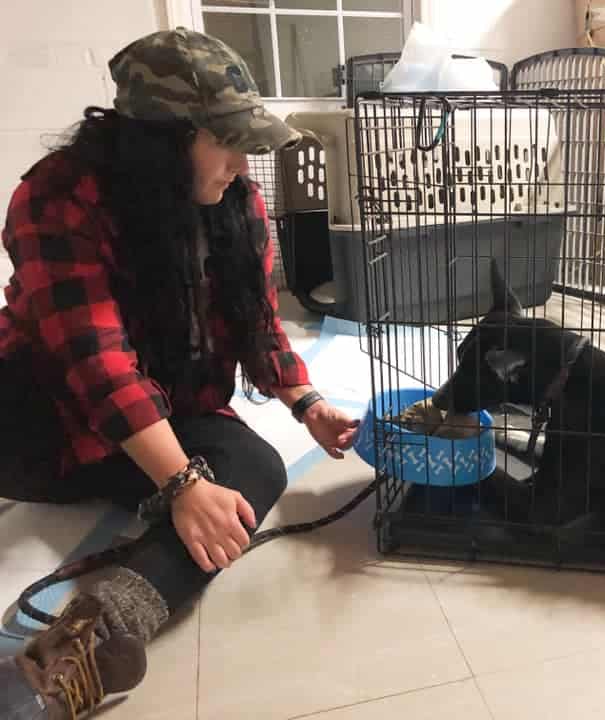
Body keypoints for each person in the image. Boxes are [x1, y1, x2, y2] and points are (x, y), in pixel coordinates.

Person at [0, 28, 358, 719]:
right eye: (225, 141)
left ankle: (91, 638)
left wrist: (306, 401)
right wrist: (183, 481)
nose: (239, 161)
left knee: (254, 468)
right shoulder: (55, 199)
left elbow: (254, 317)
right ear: (162, 141)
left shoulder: (233, 199)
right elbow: (93, 361)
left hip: (166, 405)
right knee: (200, 486)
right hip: (44, 415)